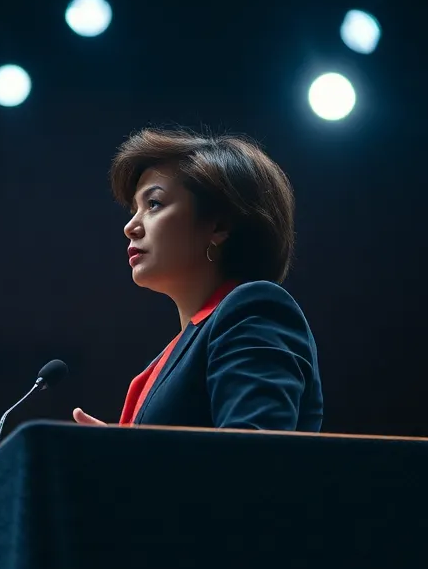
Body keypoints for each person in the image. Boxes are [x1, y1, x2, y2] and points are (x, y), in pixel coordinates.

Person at [72, 127, 323, 431]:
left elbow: (255, 460)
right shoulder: (173, 354)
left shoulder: (255, 310)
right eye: (134, 209)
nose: (130, 226)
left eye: (154, 204)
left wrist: (129, 463)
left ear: (218, 225)